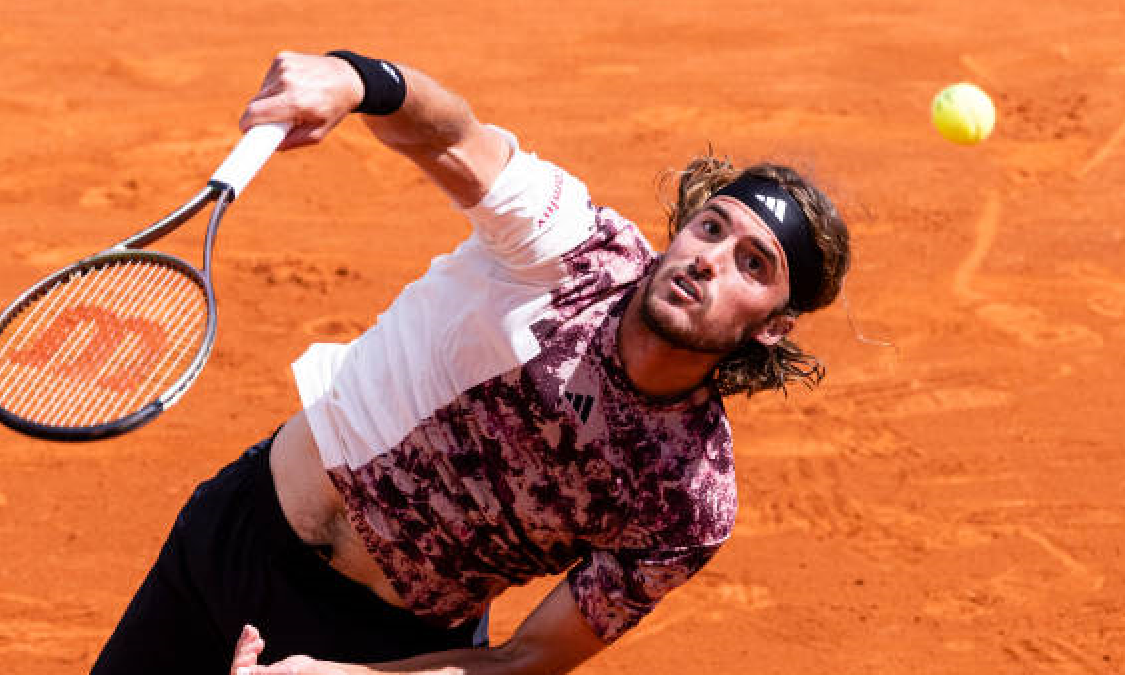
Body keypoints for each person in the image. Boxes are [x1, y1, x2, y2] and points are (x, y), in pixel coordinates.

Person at [90, 49, 851, 675]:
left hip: (381, 649)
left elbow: (528, 658)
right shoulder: (571, 247)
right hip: (237, 529)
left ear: (774, 327)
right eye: (711, 227)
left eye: (753, 262)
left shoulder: (685, 494)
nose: (710, 259)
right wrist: (358, 80)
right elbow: (452, 137)